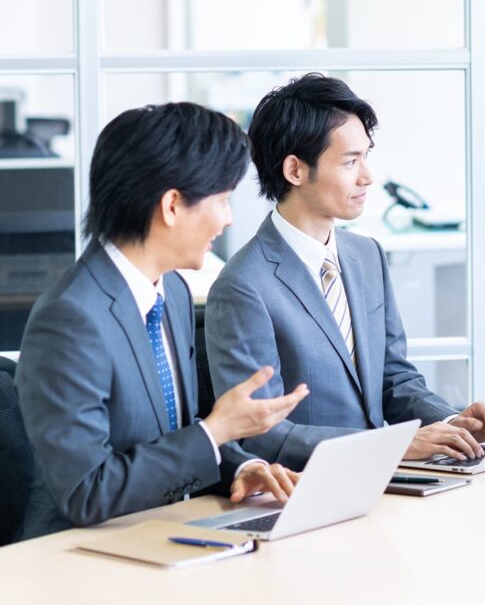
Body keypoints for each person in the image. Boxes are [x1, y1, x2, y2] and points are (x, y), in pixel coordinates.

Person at [16, 103, 308, 540]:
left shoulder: (171, 292)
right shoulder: (70, 319)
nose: (228, 219)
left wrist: (242, 467)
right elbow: (85, 492)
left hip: (166, 535)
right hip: (80, 556)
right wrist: (216, 430)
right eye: (223, 200)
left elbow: (178, 434)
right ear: (172, 205)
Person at [205, 73, 485, 471]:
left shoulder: (366, 256)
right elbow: (263, 433)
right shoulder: (243, 285)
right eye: (350, 161)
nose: (367, 176)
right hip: (305, 495)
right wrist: (394, 445)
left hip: (384, 483)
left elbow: (394, 379)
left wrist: (453, 423)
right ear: (295, 170)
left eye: (366, 156)